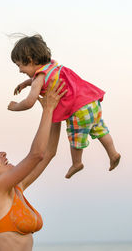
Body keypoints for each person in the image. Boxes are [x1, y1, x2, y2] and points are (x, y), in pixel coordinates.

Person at [0, 79, 67, 251]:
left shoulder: (16, 188)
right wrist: (48, 109)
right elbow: (36, 155)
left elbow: (48, 153)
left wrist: (56, 113)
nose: (2, 153)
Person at [8, 34, 121, 179]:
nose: (20, 70)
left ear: (30, 60)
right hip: (92, 102)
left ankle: (77, 163)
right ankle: (113, 154)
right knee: (100, 129)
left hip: (78, 110)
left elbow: (29, 102)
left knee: (76, 137)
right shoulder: (54, 66)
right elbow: (41, 78)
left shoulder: (39, 78)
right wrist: (26, 83)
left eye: (20, 65)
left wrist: (15, 106)